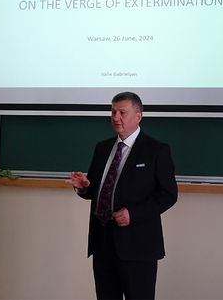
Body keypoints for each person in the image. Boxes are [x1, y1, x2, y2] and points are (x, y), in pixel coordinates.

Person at [67, 92, 178, 300]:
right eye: (113, 112)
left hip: (138, 245)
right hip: (102, 243)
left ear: (138, 116)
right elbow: (97, 190)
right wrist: (84, 187)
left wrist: (133, 214)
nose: (116, 118)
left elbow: (168, 194)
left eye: (122, 113)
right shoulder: (102, 148)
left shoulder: (156, 150)